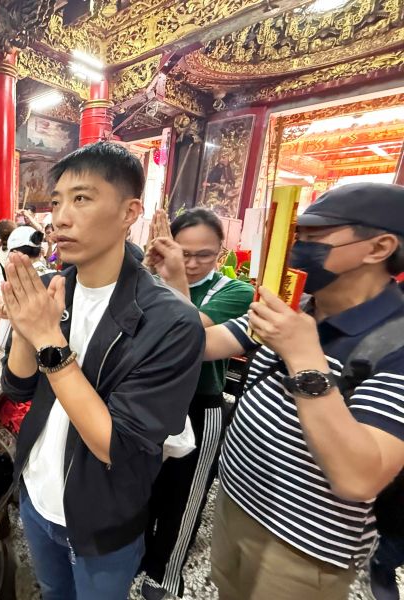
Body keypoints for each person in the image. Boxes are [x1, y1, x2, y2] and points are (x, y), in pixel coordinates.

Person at [0, 142, 204, 600]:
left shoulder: (171, 321)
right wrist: (24, 330)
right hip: (36, 494)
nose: (60, 218)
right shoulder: (55, 287)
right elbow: (17, 386)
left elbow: (118, 445)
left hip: (102, 516)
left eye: (82, 198)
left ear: (130, 212)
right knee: (52, 592)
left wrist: (48, 339)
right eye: (57, 202)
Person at [203, 183, 404, 600]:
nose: (299, 247)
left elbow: (359, 478)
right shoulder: (296, 303)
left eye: (317, 236)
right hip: (238, 501)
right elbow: (205, 344)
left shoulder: (395, 343)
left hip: (306, 544)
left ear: (379, 247)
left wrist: (304, 357)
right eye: (299, 234)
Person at [137, 207, 254, 600]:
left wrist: (170, 279)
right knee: (145, 486)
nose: (190, 263)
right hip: (152, 401)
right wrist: (147, 271)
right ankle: (140, 554)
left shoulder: (235, 292)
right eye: (182, 252)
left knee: (185, 497)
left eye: (203, 255)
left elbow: (186, 337)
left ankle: (166, 575)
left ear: (222, 252)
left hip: (200, 405)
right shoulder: (151, 281)